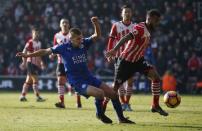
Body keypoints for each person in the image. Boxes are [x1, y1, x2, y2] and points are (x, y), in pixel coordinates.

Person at [16, 17, 134, 124]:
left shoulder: (83, 43)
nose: (81, 40)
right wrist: (28, 55)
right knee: (100, 94)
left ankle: (121, 119)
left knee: (113, 94)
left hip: (89, 77)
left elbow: (96, 36)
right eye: (78, 39)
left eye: (81, 38)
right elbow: (45, 51)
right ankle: (100, 114)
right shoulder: (63, 47)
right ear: (71, 39)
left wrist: (96, 24)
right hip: (77, 82)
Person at [105, 9, 168, 116]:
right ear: (150, 18)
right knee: (115, 88)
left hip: (138, 60)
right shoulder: (140, 27)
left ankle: (155, 105)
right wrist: (115, 49)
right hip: (126, 61)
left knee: (156, 78)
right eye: (156, 20)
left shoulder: (148, 29)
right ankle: (102, 107)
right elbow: (126, 37)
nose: (157, 23)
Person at [103, 5, 135, 112]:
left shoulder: (135, 26)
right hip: (119, 57)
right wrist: (110, 53)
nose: (127, 14)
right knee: (119, 81)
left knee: (130, 81)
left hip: (131, 57)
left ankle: (127, 103)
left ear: (131, 14)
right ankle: (123, 103)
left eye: (129, 12)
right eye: (125, 12)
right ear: (122, 14)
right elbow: (111, 40)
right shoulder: (116, 25)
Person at [49, 18, 82, 108]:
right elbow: (55, 47)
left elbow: (79, 44)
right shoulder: (57, 36)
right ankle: (62, 102)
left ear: (69, 24)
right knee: (60, 81)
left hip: (72, 62)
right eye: (63, 23)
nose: (64, 24)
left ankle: (78, 101)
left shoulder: (72, 35)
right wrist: (53, 54)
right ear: (60, 25)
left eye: (66, 22)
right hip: (61, 62)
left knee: (75, 82)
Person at [19, 27, 46, 102]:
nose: (36, 35)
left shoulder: (39, 43)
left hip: (35, 64)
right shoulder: (30, 42)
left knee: (28, 81)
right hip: (30, 63)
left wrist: (41, 62)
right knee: (35, 79)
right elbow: (24, 52)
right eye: (35, 34)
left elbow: (39, 54)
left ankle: (22, 96)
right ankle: (38, 97)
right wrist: (24, 62)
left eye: (37, 34)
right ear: (32, 34)